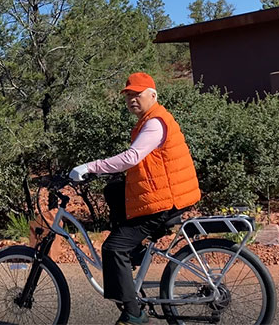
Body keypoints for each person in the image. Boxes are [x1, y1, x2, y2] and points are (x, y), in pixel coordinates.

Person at [69, 72, 201, 325]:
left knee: (112, 248)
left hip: (165, 202)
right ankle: (134, 252)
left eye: (137, 94)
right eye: (128, 95)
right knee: (114, 190)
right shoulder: (148, 120)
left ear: (153, 95)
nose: (132, 99)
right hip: (163, 196)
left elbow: (131, 158)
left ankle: (134, 314)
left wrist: (91, 166)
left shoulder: (155, 123)